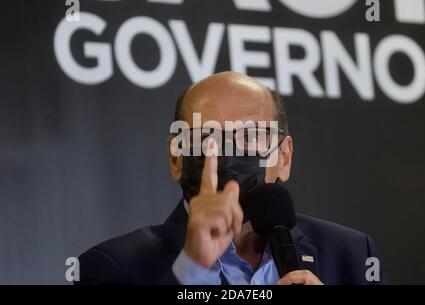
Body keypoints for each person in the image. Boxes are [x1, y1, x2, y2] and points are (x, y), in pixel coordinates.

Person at [76, 71, 385, 285]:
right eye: (207, 137)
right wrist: (192, 268)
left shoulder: (353, 256)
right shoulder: (111, 267)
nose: (227, 154)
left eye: (251, 136)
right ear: (176, 158)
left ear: (285, 158)